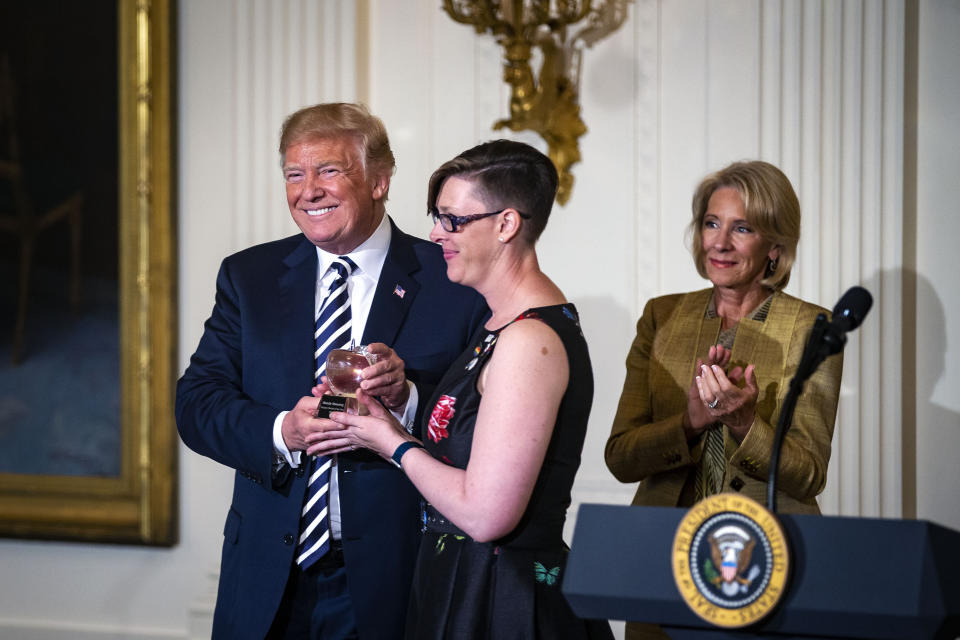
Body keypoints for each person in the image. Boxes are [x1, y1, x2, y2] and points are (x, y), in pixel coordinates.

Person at [175, 102, 488, 640]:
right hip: (267, 578)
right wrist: (282, 431)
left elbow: (489, 424)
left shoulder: (451, 279)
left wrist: (408, 399)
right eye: (294, 174)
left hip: (397, 576)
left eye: (329, 170)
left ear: (379, 180)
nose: (308, 190)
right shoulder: (248, 277)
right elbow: (197, 404)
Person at [308, 140, 613, 639]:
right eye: (437, 217)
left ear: (506, 224)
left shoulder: (529, 340)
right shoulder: (499, 325)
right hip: (465, 582)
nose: (435, 234)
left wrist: (389, 443)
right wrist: (385, 413)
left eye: (452, 220)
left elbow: (485, 513)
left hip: (506, 599)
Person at [604, 160, 843, 639]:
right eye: (712, 223)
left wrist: (743, 423)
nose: (720, 242)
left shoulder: (811, 329)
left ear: (775, 247)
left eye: (743, 228)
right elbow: (621, 457)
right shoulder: (662, 317)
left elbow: (809, 473)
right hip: (662, 559)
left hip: (763, 562)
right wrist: (689, 423)